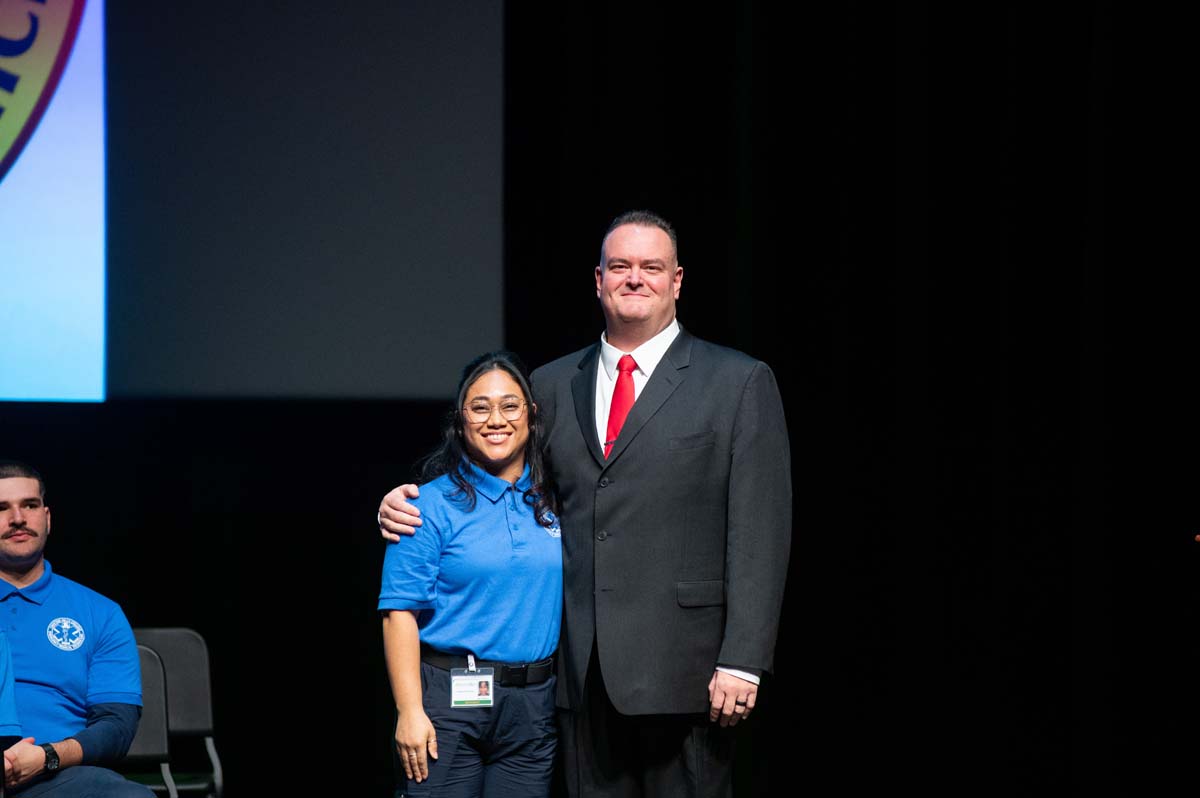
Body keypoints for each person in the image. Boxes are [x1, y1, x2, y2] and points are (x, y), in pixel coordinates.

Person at [378, 210, 792, 797]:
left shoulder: (738, 382)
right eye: (619, 265)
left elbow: (761, 531)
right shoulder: (548, 385)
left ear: (677, 281)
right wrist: (399, 502)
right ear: (597, 280)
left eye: (652, 266)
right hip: (577, 680)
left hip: (687, 675)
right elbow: (492, 473)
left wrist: (744, 658)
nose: (634, 277)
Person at [379, 351, 563, 797]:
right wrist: (409, 711)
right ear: (460, 420)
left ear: (531, 415)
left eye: (509, 405)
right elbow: (398, 613)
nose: (495, 419)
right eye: (479, 407)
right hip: (448, 705)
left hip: (533, 707)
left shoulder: (557, 499)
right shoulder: (424, 506)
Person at [0, 461, 152, 797]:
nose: (18, 519)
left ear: (47, 517)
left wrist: (48, 756)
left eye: (29, 505)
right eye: (2, 508)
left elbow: (116, 726)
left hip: (55, 779)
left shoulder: (100, 613)